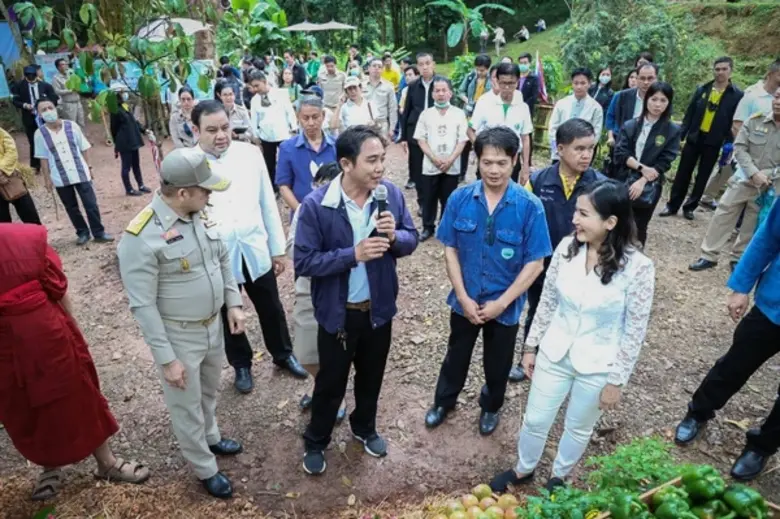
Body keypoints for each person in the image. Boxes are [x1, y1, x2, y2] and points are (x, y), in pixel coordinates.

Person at [490, 179, 654, 494]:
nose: (574, 220)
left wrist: (616, 380)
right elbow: (548, 301)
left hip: (597, 363)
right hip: (555, 351)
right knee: (535, 420)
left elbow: (634, 329)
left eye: (583, 214)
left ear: (610, 222)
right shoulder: (567, 248)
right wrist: (530, 345)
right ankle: (523, 468)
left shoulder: (639, 268)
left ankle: (559, 477)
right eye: (576, 212)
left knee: (579, 428)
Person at [117, 148, 246, 499]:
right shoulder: (141, 236)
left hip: (211, 326)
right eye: (205, 189)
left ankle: (212, 437)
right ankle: (205, 467)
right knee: (185, 405)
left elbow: (221, 259)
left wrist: (233, 302)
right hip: (179, 335)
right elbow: (142, 306)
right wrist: (167, 359)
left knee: (207, 391)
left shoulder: (196, 214)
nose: (210, 194)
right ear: (183, 192)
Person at [294, 125, 418, 474]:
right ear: (346, 164)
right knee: (330, 383)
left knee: (371, 377)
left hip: (378, 312)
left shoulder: (389, 195)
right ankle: (316, 440)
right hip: (337, 315)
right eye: (372, 160)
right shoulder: (317, 206)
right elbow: (304, 262)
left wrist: (396, 238)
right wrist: (353, 254)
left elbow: (411, 238)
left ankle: (364, 427)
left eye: (383, 159)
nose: (380, 168)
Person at [0, 223, 150, 501]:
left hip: (46, 336)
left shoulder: (23, 238)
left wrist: (73, 331)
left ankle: (107, 463)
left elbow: (56, 287)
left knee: (77, 396)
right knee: (24, 408)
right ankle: (50, 466)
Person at [425, 127, 551, 436]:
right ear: (477, 161)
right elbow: (450, 249)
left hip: (504, 306)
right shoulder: (460, 198)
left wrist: (503, 303)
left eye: (501, 163)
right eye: (487, 162)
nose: (493, 170)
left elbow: (536, 263)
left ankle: (491, 407)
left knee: (498, 363)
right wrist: (463, 296)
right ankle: (444, 401)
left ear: (515, 161)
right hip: (465, 300)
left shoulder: (529, 206)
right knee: (456, 354)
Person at [196, 100, 307, 391]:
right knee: (227, 311)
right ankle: (241, 364)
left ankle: (283, 354)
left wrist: (277, 247)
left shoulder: (250, 154)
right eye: (211, 130)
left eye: (224, 127)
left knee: (270, 305)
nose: (221, 135)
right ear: (195, 130)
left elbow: (267, 202)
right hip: (217, 255)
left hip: (254, 246)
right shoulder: (189, 163)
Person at [674, 197, 780, 482]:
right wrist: (741, 287)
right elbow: (767, 239)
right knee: (735, 364)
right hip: (774, 306)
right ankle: (699, 412)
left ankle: (762, 446)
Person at [508, 119, 604, 384]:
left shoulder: (601, 187)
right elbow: (519, 220)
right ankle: (528, 356)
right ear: (560, 149)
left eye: (591, 148)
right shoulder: (538, 182)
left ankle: (573, 362)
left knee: (579, 311)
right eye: (579, 148)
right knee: (539, 309)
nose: (587, 155)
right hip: (543, 263)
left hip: (583, 265)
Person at [689, 87, 780, 272]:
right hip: (744, 178)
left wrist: (767, 175)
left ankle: (738, 258)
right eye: (777, 97)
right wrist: (754, 172)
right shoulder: (756, 120)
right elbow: (740, 147)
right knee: (723, 213)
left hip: (769, 186)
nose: (778, 102)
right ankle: (709, 255)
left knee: (752, 221)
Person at [287, 162, 346, 420]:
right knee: (305, 351)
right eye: (317, 187)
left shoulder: (352, 210)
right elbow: (293, 249)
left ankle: (335, 395)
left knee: (337, 349)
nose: (320, 194)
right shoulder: (305, 210)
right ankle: (321, 383)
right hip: (309, 286)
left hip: (342, 290)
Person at [661, 57, 743, 220]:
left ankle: (690, 206)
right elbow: (689, 115)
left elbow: (735, 120)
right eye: (717, 69)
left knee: (703, 176)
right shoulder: (702, 90)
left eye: (724, 69)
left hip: (714, 141)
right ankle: (672, 205)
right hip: (694, 137)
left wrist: (730, 143)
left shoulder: (737, 95)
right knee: (683, 172)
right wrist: (680, 136)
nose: (720, 72)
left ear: (730, 71)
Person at [701, 59, 780, 209]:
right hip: (742, 148)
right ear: (771, 73)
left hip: (764, 158)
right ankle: (707, 197)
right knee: (725, 172)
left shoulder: (776, 99)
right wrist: (741, 152)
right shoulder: (752, 94)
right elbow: (737, 124)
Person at [34, 98, 113, 246]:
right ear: (39, 114)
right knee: (71, 207)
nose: (48, 112)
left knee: (91, 204)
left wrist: (89, 167)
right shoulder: (40, 134)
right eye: (43, 110)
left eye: (50, 107)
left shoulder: (71, 126)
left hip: (80, 172)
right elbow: (43, 158)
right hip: (59, 176)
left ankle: (99, 232)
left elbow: (84, 147)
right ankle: (82, 232)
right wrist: (47, 179)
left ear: (56, 108)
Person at [614, 81, 681, 247]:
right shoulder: (631, 125)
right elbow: (621, 153)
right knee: (617, 221)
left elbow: (666, 160)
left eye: (663, 100)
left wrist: (643, 180)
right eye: (654, 99)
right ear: (646, 100)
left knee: (639, 226)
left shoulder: (672, 130)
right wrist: (641, 169)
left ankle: (635, 262)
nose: (657, 105)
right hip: (624, 179)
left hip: (650, 185)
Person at [414, 77, 469, 242]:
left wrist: (451, 159)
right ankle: (427, 227)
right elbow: (420, 139)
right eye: (437, 90)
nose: (441, 94)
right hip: (431, 164)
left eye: (444, 90)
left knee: (449, 198)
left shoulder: (459, 114)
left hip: (451, 165)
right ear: (432, 94)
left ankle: (446, 228)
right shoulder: (426, 114)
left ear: (450, 93)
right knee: (429, 197)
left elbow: (463, 140)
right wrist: (434, 158)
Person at [469, 62, 533, 184]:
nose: (507, 87)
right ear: (497, 81)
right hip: (489, 159)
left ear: (518, 82)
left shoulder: (523, 107)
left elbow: (525, 138)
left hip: (512, 159)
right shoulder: (485, 102)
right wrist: (482, 148)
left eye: (511, 83)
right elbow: (470, 130)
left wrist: (525, 167)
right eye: (503, 83)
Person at [276, 96, 338, 217]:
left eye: (315, 117)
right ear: (298, 117)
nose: (311, 123)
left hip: (333, 214)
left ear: (323, 116)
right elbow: (283, 186)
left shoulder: (336, 146)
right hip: (302, 214)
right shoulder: (288, 148)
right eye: (305, 118)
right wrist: (301, 211)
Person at [249, 70, 297, 192]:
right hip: (266, 136)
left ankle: (291, 184)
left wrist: (294, 128)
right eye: (253, 86)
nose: (255, 89)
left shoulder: (280, 94)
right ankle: (273, 188)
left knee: (288, 160)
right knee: (269, 163)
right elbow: (254, 119)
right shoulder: (255, 100)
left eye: (257, 85)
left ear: (264, 82)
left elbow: (289, 111)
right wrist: (255, 136)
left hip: (282, 133)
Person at [400, 52, 436, 203]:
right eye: (421, 64)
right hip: (415, 133)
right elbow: (406, 111)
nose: (425, 67)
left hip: (436, 132)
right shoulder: (413, 86)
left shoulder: (442, 83)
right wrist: (403, 137)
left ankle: (434, 200)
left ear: (433, 64)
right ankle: (422, 201)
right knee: (418, 169)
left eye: (427, 63)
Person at [12, 65, 59, 173]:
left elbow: (54, 98)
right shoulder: (19, 86)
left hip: (45, 117)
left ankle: (54, 163)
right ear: (25, 76)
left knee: (51, 138)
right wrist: (24, 105)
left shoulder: (45, 85)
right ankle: (35, 166)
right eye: (29, 76)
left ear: (36, 75)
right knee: (33, 142)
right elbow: (15, 100)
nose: (31, 78)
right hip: (30, 118)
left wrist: (46, 105)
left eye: (33, 76)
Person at [549, 68, 603, 162]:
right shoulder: (562, 103)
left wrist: (583, 151)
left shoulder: (596, 108)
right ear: (572, 84)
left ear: (589, 84)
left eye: (583, 83)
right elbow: (553, 127)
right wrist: (556, 149)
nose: (579, 87)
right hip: (560, 154)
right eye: (576, 83)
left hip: (581, 157)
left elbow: (596, 134)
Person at [109, 86, 151, 197]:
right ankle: (129, 189)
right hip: (124, 142)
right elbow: (113, 128)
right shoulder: (115, 110)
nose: (125, 94)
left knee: (136, 164)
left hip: (133, 139)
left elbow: (134, 122)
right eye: (122, 92)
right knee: (126, 167)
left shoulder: (125, 106)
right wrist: (116, 144)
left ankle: (141, 185)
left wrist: (144, 130)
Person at [606, 63, 659, 148]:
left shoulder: (661, 99)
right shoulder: (622, 96)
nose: (646, 82)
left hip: (648, 145)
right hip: (622, 141)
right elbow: (610, 116)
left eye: (650, 78)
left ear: (656, 79)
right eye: (642, 78)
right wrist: (611, 136)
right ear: (637, 79)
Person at [457, 54, 492, 181]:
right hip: (469, 112)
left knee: (482, 143)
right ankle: (461, 173)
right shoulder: (470, 77)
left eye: (482, 70)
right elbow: (460, 91)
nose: (479, 72)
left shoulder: (492, 80)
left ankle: (480, 173)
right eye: (477, 69)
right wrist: (468, 101)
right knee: (465, 142)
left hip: (483, 115)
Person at [0, 126, 41, 224]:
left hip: (10, 177)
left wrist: (1, 169)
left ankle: (37, 238)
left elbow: (11, 150)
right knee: (3, 225)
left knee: (29, 213)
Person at [365, 58, 398, 140]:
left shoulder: (389, 86)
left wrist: (392, 128)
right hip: (364, 123)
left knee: (383, 150)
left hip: (382, 124)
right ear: (368, 68)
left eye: (379, 67)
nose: (376, 68)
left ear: (382, 70)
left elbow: (393, 108)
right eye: (374, 66)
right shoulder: (361, 85)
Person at [214, 79, 253, 143]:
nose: (228, 98)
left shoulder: (242, 111)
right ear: (219, 96)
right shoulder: (216, 112)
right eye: (225, 95)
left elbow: (250, 132)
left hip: (240, 144)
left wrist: (238, 136)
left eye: (230, 94)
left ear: (234, 95)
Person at [52, 58, 85, 128]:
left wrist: (80, 88)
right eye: (63, 64)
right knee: (72, 124)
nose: (65, 66)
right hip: (68, 104)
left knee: (81, 123)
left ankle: (81, 138)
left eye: (66, 64)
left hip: (78, 102)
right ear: (58, 67)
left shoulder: (71, 73)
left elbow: (78, 84)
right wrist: (70, 90)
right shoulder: (56, 78)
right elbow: (57, 91)